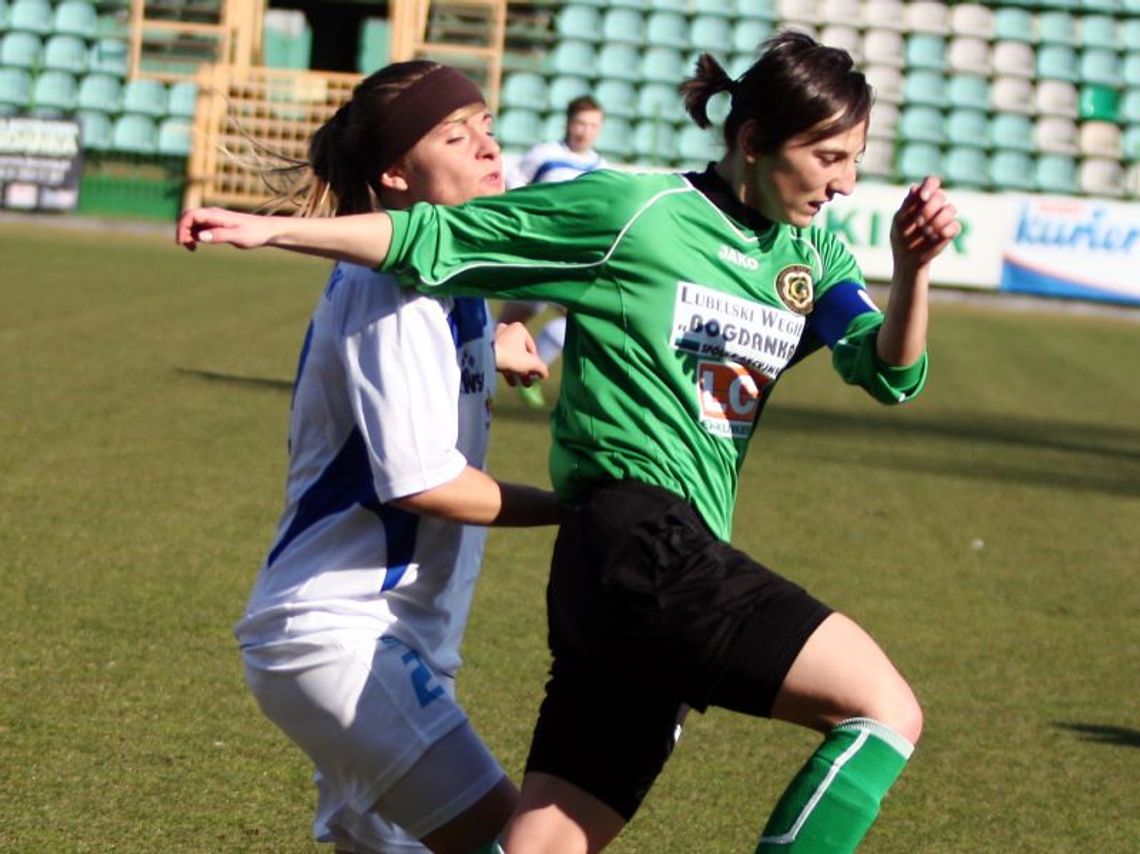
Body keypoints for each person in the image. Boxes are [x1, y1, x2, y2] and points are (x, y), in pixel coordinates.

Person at [177, 31, 960, 854]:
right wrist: (270, 231)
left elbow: (887, 373)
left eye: (857, 158)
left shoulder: (816, 255)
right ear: (754, 140)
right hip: (639, 542)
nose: (845, 180)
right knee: (884, 710)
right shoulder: (639, 213)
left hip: (637, 565)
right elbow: (427, 242)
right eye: (828, 155)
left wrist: (914, 272)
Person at [216, 60, 564, 854]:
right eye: (454, 133)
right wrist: (572, 510)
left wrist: (495, 343)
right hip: (341, 635)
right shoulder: (393, 286)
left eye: (485, 123)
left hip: (396, 638)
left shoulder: (450, 274)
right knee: (521, 844)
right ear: (395, 174)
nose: (486, 144)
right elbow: (420, 481)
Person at [500, 95, 608, 408]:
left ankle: (531, 375)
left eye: (592, 126)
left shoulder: (600, 168)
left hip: (572, 260)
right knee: (506, 324)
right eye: (580, 123)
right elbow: (515, 187)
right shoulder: (545, 154)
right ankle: (478, 377)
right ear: (568, 123)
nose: (585, 131)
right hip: (535, 254)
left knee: (582, 320)